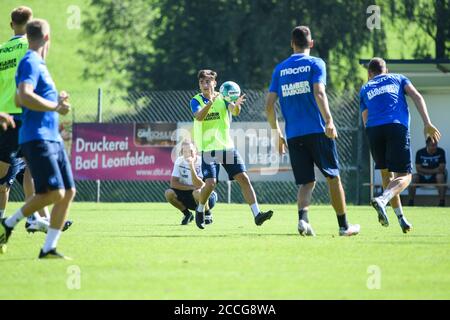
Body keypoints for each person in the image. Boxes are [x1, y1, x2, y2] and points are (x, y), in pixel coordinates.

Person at [265, 26, 360, 237]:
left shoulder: (280, 69)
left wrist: (276, 132)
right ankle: (344, 226)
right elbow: (319, 92)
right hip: (317, 131)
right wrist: (329, 120)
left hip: (294, 134)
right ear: (311, 43)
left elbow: (269, 106)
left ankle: (303, 220)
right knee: (333, 177)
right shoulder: (316, 63)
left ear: (292, 44)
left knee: (306, 181)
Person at [0, 19, 76, 259]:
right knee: (54, 193)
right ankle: (8, 224)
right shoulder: (31, 60)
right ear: (47, 38)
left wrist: (58, 102)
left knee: (69, 191)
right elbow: (23, 96)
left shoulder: (39, 64)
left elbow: (27, 95)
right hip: (37, 137)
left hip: (51, 136)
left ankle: (48, 248)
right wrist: (55, 105)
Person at [360, 57, 441, 233]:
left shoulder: (365, 88)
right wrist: (427, 123)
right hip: (395, 126)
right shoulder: (397, 78)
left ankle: (401, 218)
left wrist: (374, 139)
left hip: (373, 131)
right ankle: (383, 200)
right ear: (386, 70)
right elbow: (416, 96)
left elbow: (365, 118)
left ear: (369, 74)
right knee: (406, 176)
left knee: (387, 175)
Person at [191, 69, 273, 229]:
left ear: (215, 83)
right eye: (202, 82)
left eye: (208, 82)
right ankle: (200, 209)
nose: (205, 85)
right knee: (211, 183)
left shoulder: (223, 98)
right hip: (208, 149)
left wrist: (236, 106)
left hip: (226, 147)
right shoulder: (196, 100)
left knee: (243, 178)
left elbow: (234, 111)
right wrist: (211, 102)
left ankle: (257, 215)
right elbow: (199, 116)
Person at [165, 140, 217, 225]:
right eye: (185, 151)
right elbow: (173, 184)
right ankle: (187, 214)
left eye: (190, 151)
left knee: (197, 192)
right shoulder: (179, 161)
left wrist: (191, 166)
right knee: (168, 193)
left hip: (207, 197)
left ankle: (207, 213)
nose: (188, 153)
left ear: (196, 150)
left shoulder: (202, 161)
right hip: (189, 194)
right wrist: (191, 187)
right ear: (182, 152)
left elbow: (199, 185)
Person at [408, 138, 447, 207]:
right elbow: (418, 169)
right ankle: (411, 202)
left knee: (440, 176)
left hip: (435, 177)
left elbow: (442, 168)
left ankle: (442, 202)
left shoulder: (441, 151)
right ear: (427, 145)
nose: (434, 147)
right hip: (422, 176)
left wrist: (426, 171)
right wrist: (434, 170)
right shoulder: (420, 152)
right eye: (432, 145)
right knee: (414, 177)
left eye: (435, 145)